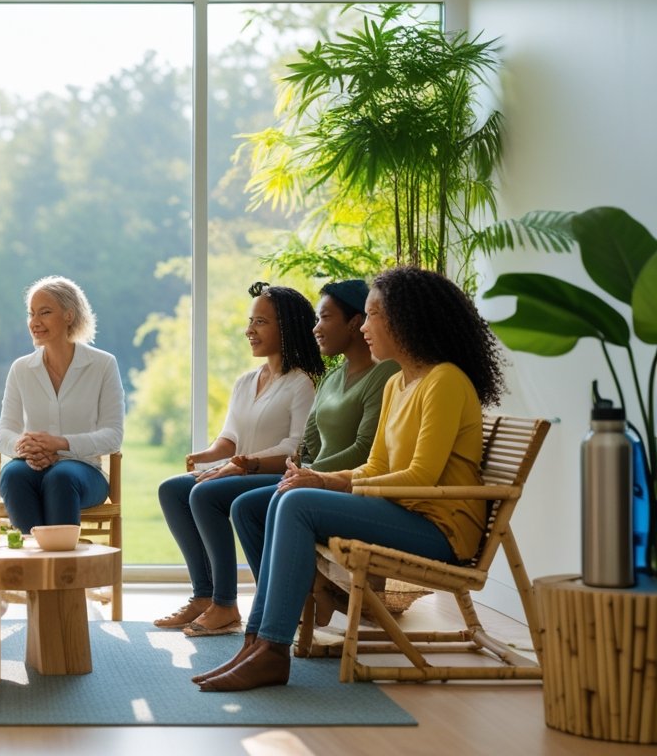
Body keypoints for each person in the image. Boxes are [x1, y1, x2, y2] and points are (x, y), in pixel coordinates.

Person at [195, 265, 507, 692]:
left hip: (440, 529)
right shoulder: (399, 383)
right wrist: (317, 478)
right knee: (289, 494)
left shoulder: (445, 382)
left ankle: (270, 649)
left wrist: (331, 484)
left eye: (374, 314)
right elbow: (376, 467)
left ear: (407, 319)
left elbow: (421, 478)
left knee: (296, 502)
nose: (365, 327)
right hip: (401, 512)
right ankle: (258, 643)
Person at [155, 282, 324, 637]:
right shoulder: (246, 381)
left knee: (205, 494)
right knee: (172, 489)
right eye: (251, 321)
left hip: (277, 475)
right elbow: (229, 438)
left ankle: (225, 603)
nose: (249, 330)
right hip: (241, 470)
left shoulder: (302, 383)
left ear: (286, 327)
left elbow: (296, 449)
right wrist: (207, 456)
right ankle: (203, 596)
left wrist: (242, 463)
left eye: (260, 322)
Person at [230, 280, 399, 579]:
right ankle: (288, 598)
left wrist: (312, 475)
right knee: (246, 506)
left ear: (354, 323)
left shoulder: (385, 374)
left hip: (349, 487)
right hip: (317, 479)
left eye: (325, 317)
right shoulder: (333, 377)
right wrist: (300, 468)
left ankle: (291, 598)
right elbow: (308, 441)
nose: (315, 328)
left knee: (261, 503)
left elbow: (364, 448)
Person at [0, 276, 124, 532]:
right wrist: (26, 448)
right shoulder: (21, 369)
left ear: (69, 315)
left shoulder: (103, 365)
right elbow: (3, 434)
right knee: (13, 475)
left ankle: (63, 567)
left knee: (61, 477)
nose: (35, 322)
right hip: (31, 466)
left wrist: (61, 444)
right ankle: (34, 564)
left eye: (45, 312)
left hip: (84, 472)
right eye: (31, 314)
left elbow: (113, 436)